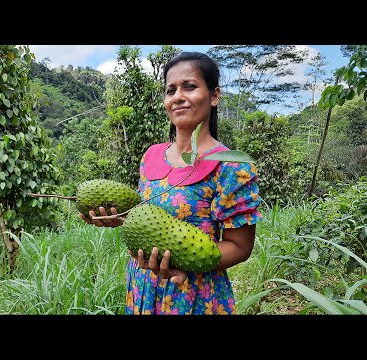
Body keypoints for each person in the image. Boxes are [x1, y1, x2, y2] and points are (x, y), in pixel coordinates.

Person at [80, 51, 262, 315]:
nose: (178, 96)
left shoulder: (233, 166)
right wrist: (117, 218)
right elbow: (147, 221)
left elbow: (240, 247)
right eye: (170, 90)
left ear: (214, 96)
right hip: (143, 285)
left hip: (194, 292)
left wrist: (183, 265)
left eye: (190, 86)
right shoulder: (151, 157)